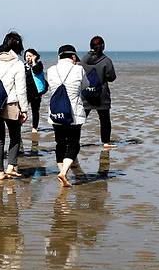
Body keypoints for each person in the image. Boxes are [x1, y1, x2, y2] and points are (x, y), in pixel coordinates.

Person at [0, 32, 29, 181]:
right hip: (11, 105)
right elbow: (21, 90)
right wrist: (25, 109)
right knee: (15, 135)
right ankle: (11, 166)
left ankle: (0, 172)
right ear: (19, 47)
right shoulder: (18, 64)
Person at [47, 45, 88, 187]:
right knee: (74, 143)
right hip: (74, 113)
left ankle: (62, 173)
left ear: (59, 57)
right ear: (74, 57)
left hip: (56, 111)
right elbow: (85, 85)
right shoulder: (79, 69)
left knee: (60, 143)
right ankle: (64, 172)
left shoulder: (51, 70)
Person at [81, 36, 117, 149]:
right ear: (103, 46)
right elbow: (112, 77)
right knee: (105, 120)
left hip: (86, 94)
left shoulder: (83, 60)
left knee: (80, 119)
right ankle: (106, 142)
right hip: (102, 95)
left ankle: (73, 141)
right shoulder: (106, 60)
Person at [24, 48, 46, 133]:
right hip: (25, 92)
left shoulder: (38, 65)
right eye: (26, 56)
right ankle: (19, 124)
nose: (28, 57)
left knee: (35, 111)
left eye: (30, 56)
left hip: (36, 93)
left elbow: (36, 70)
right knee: (23, 110)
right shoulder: (23, 66)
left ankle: (34, 128)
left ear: (35, 56)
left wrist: (33, 62)